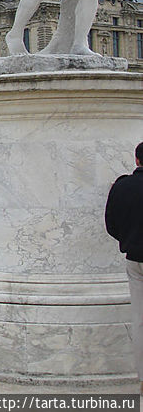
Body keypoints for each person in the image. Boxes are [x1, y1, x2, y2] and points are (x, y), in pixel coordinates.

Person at [105, 142, 143, 391]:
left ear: (137, 160)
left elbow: (111, 224)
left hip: (135, 257)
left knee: (139, 321)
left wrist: (128, 239)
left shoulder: (122, 187)